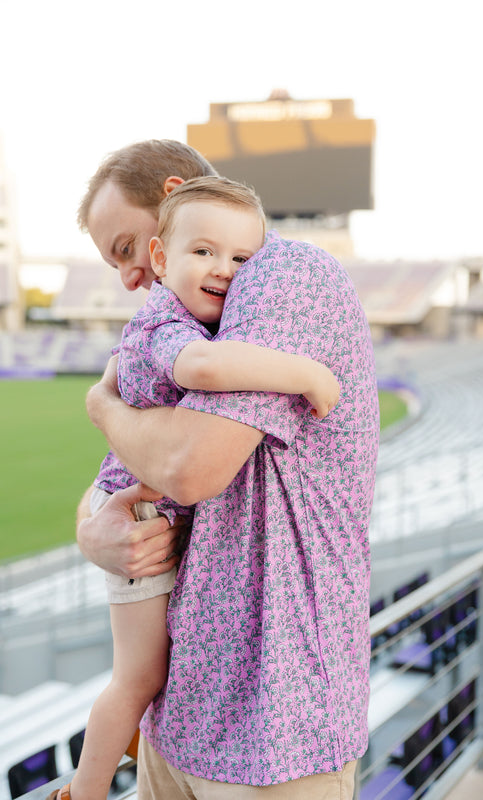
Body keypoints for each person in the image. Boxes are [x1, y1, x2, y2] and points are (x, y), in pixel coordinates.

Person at [76, 139, 380, 800]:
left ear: (174, 197)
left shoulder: (281, 274)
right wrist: (91, 530)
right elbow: (128, 467)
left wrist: (103, 406)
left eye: (126, 248)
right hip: (183, 719)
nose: (128, 277)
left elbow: (188, 469)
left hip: (275, 731)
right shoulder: (181, 315)